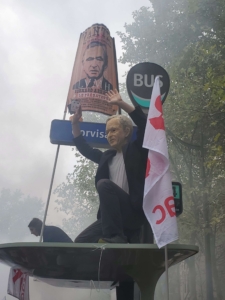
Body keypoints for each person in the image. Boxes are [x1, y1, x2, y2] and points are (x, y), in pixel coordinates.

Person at [71, 89, 148, 243]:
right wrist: (75, 124)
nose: (109, 135)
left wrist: (121, 103)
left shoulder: (137, 150)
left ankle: (115, 237)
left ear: (127, 131)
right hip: (112, 217)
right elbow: (85, 149)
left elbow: (144, 123)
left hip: (132, 213)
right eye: (107, 132)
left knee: (104, 185)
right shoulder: (107, 157)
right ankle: (110, 247)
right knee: (81, 242)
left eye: (114, 130)